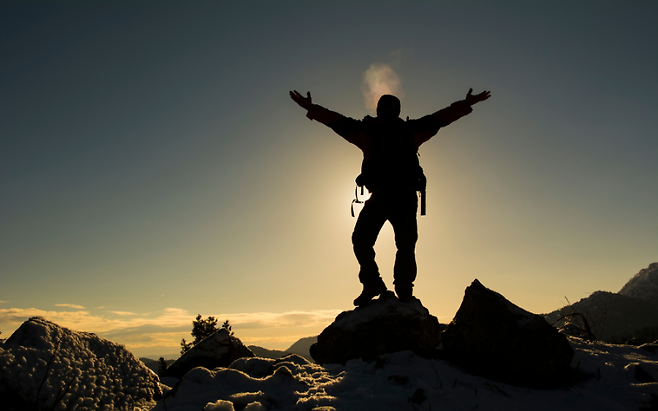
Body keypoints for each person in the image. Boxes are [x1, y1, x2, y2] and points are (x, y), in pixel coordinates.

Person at [290, 88, 491, 305]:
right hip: (401, 197)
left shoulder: (371, 130)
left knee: (375, 242)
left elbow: (338, 122)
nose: (383, 109)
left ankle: (385, 287)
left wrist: (311, 108)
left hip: (385, 197)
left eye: (386, 106)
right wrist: (466, 104)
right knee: (393, 244)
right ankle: (394, 289)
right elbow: (439, 119)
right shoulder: (407, 130)